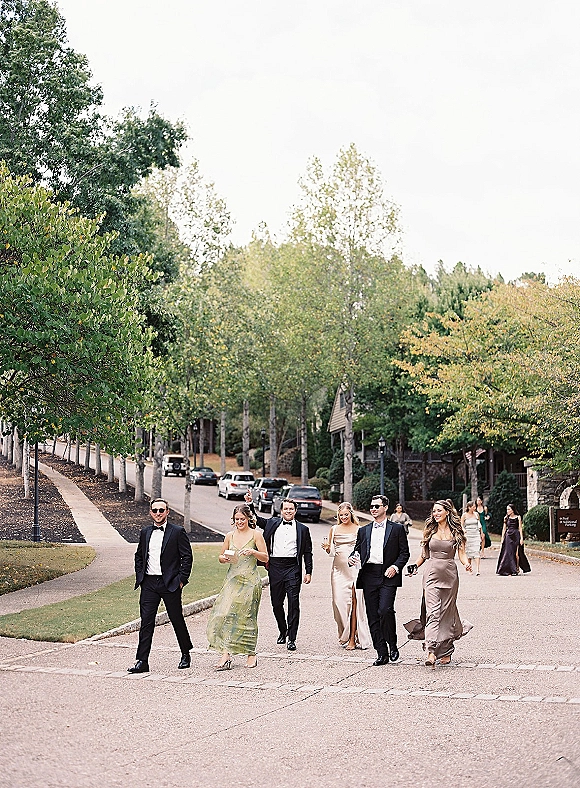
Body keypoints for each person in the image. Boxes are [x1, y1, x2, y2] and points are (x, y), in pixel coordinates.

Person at [405, 499, 473, 667]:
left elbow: (462, 554)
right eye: (433, 511)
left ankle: (447, 649)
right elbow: (423, 555)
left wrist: (466, 564)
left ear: (447, 512)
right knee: (433, 613)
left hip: (450, 575)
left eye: (438, 511)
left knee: (446, 613)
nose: (435, 514)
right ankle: (431, 651)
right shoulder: (429, 530)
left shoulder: (457, 531)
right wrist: (414, 566)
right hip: (431, 574)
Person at [128, 499, 193, 674]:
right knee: (146, 622)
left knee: (176, 619)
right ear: (150, 512)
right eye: (155, 510)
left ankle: (185, 653)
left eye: (161, 510)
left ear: (167, 512)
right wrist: (140, 575)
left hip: (170, 583)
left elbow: (187, 558)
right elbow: (139, 555)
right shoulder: (145, 532)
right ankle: (142, 661)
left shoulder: (177, 532)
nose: (158, 513)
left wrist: (181, 580)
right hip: (149, 583)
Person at [245, 490, 312, 651]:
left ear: (295, 511)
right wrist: (249, 504)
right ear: (281, 511)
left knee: (294, 603)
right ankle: (283, 630)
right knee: (276, 603)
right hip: (275, 567)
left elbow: (308, 552)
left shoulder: (303, 529)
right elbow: (255, 519)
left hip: (293, 568)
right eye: (285, 509)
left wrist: (308, 571)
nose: (288, 511)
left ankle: (292, 638)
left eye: (291, 509)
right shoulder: (272, 523)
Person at [348, 495, 410, 665]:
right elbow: (357, 551)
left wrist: (396, 567)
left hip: (388, 574)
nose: (373, 509)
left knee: (385, 610)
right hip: (369, 574)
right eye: (371, 506)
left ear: (385, 507)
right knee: (373, 615)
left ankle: (393, 644)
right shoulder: (363, 530)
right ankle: (381, 652)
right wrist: (352, 558)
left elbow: (404, 553)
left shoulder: (397, 529)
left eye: (377, 506)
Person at [206, 504, 268, 669]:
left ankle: (251, 653)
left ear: (248, 518)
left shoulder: (256, 535)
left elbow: (266, 557)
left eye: (242, 519)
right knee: (225, 614)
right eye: (237, 519)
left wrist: (253, 552)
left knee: (246, 617)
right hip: (232, 581)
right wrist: (224, 558)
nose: (239, 522)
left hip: (250, 582)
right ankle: (226, 654)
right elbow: (220, 556)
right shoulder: (229, 535)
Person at [321, 502, 372, 650]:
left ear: (351, 514)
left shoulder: (359, 530)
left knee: (355, 603)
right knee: (338, 602)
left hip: (355, 570)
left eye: (346, 514)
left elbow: (364, 550)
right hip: (338, 570)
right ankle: (346, 632)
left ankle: (353, 636)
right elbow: (331, 552)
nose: (343, 517)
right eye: (341, 515)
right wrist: (327, 549)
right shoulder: (334, 529)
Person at [496, 504, 530, 576]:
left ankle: (517, 568)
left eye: (508, 509)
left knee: (517, 553)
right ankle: (510, 569)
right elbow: (504, 528)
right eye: (507, 509)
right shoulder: (506, 518)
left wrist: (521, 538)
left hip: (516, 535)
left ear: (512, 510)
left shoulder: (518, 517)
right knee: (508, 553)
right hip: (508, 536)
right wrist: (502, 538)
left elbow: (520, 528)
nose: (507, 511)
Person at [461, 500, 483, 575]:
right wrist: (464, 530)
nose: (475, 508)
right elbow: (461, 525)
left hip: (476, 534)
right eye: (473, 506)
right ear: (469, 507)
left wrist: (481, 533)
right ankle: (470, 568)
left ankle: (477, 569)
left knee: (476, 551)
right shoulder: (464, 515)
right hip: (468, 535)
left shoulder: (476, 514)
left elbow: (479, 525)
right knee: (469, 552)